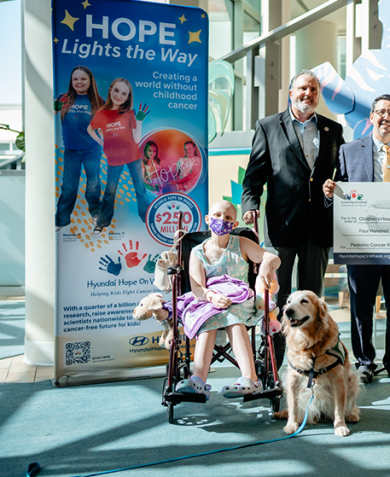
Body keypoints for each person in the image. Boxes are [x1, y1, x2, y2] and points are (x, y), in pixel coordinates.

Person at [240, 70, 345, 364]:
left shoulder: (332, 130)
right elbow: (255, 173)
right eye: (302, 88)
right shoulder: (268, 126)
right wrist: (250, 202)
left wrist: (335, 188)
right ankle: (273, 360)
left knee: (311, 299)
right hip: (282, 225)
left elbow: (344, 172)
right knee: (277, 296)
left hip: (319, 227)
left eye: (313, 89)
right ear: (290, 93)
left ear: (318, 95)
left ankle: (311, 358)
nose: (307, 94)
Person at [323, 94, 390, 384]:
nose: (386, 117)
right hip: (361, 241)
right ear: (371, 118)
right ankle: (365, 361)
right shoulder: (348, 151)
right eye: (381, 112)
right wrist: (331, 193)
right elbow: (339, 190)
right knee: (361, 305)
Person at [158, 200, 281, 399]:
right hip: (209, 299)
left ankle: (250, 379)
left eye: (228, 218)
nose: (221, 220)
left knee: (233, 317)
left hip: (239, 299)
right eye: (216, 215)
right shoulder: (198, 252)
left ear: (234, 224)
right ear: (207, 219)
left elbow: (274, 258)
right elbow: (197, 287)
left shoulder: (241, 243)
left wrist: (266, 264)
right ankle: (198, 379)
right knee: (208, 317)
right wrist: (211, 297)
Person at [87, 78, 150, 235]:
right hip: (114, 159)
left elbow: (136, 140)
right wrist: (101, 142)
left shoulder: (130, 113)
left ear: (128, 97)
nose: (119, 96)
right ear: (110, 90)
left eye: (124, 93)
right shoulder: (102, 114)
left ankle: (147, 218)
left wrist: (139, 122)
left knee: (140, 188)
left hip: (133, 156)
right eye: (116, 91)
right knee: (110, 190)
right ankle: (102, 222)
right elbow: (90, 129)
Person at [54, 66, 104, 231]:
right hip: (71, 152)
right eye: (75, 79)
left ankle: (96, 213)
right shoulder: (64, 98)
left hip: (92, 150)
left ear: (90, 81)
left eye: (83, 79)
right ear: (71, 81)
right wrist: (55, 107)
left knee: (94, 184)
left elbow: (105, 126)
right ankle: (61, 220)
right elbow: (48, 114)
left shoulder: (98, 101)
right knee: (68, 186)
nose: (79, 82)